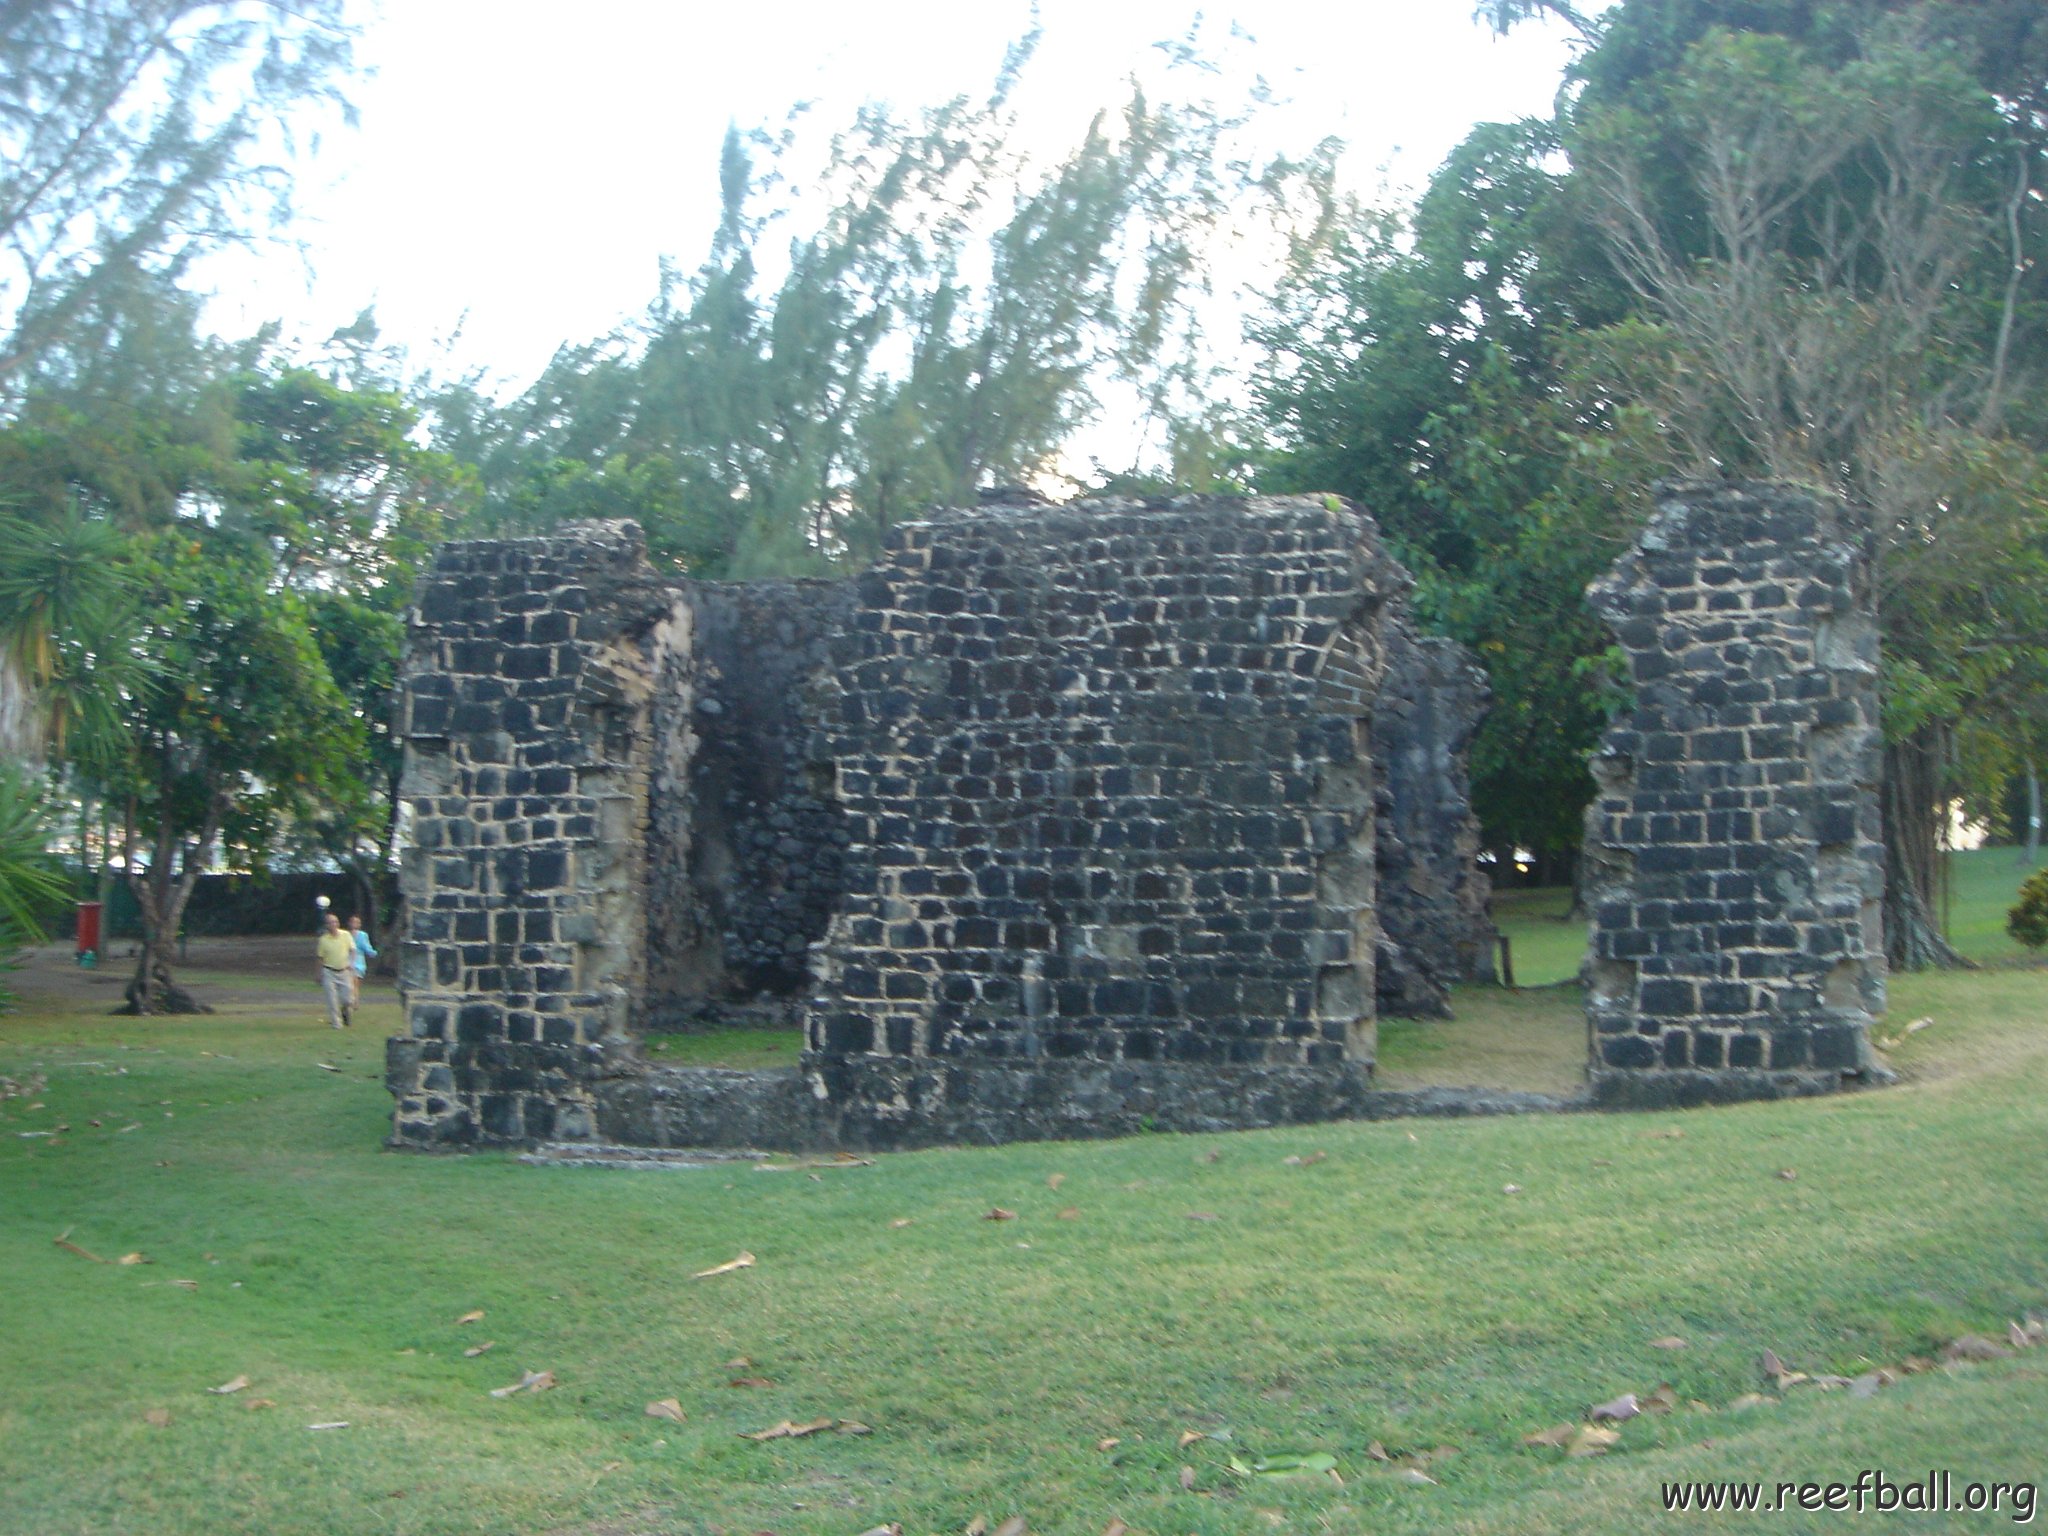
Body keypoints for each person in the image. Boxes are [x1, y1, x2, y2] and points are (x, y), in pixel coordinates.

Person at [316, 912, 355, 1028]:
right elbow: (320, 958)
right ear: (327, 925)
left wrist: (351, 964)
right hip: (329, 971)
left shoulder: (346, 935)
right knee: (332, 1000)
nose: (334, 924)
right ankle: (336, 1023)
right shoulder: (323, 940)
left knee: (348, 999)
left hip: (344, 971)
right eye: (331, 922)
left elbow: (353, 950)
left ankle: (345, 1011)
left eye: (335, 922)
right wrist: (318, 974)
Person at [347, 914, 377, 1005]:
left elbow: (366, 947)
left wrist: (373, 953)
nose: (354, 924)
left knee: (355, 984)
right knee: (350, 984)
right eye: (353, 922)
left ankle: (354, 1001)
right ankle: (353, 1001)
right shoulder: (345, 935)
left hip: (358, 963)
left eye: (357, 922)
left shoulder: (363, 935)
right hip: (347, 962)